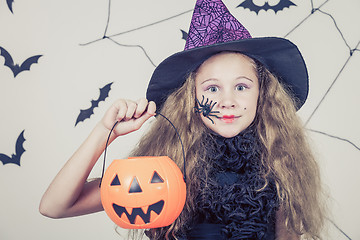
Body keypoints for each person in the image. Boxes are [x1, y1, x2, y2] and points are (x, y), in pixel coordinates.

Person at [39, 0, 326, 239]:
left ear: (262, 94)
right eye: (212, 88)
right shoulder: (167, 164)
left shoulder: (280, 163)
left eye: (241, 86)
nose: (227, 100)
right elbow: (55, 207)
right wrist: (105, 131)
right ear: (192, 98)